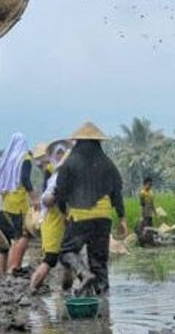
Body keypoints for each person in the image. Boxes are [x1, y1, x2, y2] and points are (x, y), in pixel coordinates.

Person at [55, 122, 127, 295]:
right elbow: (116, 192)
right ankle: (104, 307)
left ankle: (83, 273)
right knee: (99, 263)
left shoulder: (70, 163)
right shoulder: (107, 163)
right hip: (103, 217)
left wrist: (64, 212)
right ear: (98, 143)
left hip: (79, 216)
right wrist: (122, 218)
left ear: (78, 142)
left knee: (67, 251)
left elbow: (60, 192)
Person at [0, 133, 34, 275]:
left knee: (4, 242)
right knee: (19, 237)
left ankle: (1, 272)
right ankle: (13, 268)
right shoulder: (25, 158)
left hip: (4, 205)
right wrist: (35, 197)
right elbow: (25, 179)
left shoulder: (7, 160)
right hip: (17, 205)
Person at [29, 141, 70, 292]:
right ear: (53, 155)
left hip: (64, 221)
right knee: (51, 259)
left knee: (68, 258)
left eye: (63, 153)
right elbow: (48, 198)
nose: (61, 156)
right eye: (58, 153)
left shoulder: (66, 171)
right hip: (53, 220)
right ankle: (32, 288)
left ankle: (67, 292)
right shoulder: (51, 171)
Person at [137, 177, 156, 246]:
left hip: (150, 213)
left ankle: (151, 241)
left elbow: (152, 203)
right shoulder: (142, 193)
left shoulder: (151, 192)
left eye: (151, 185)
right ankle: (142, 242)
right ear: (145, 184)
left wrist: (155, 212)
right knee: (144, 228)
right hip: (145, 213)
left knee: (150, 227)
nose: (150, 186)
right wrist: (141, 216)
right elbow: (141, 205)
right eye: (149, 185)